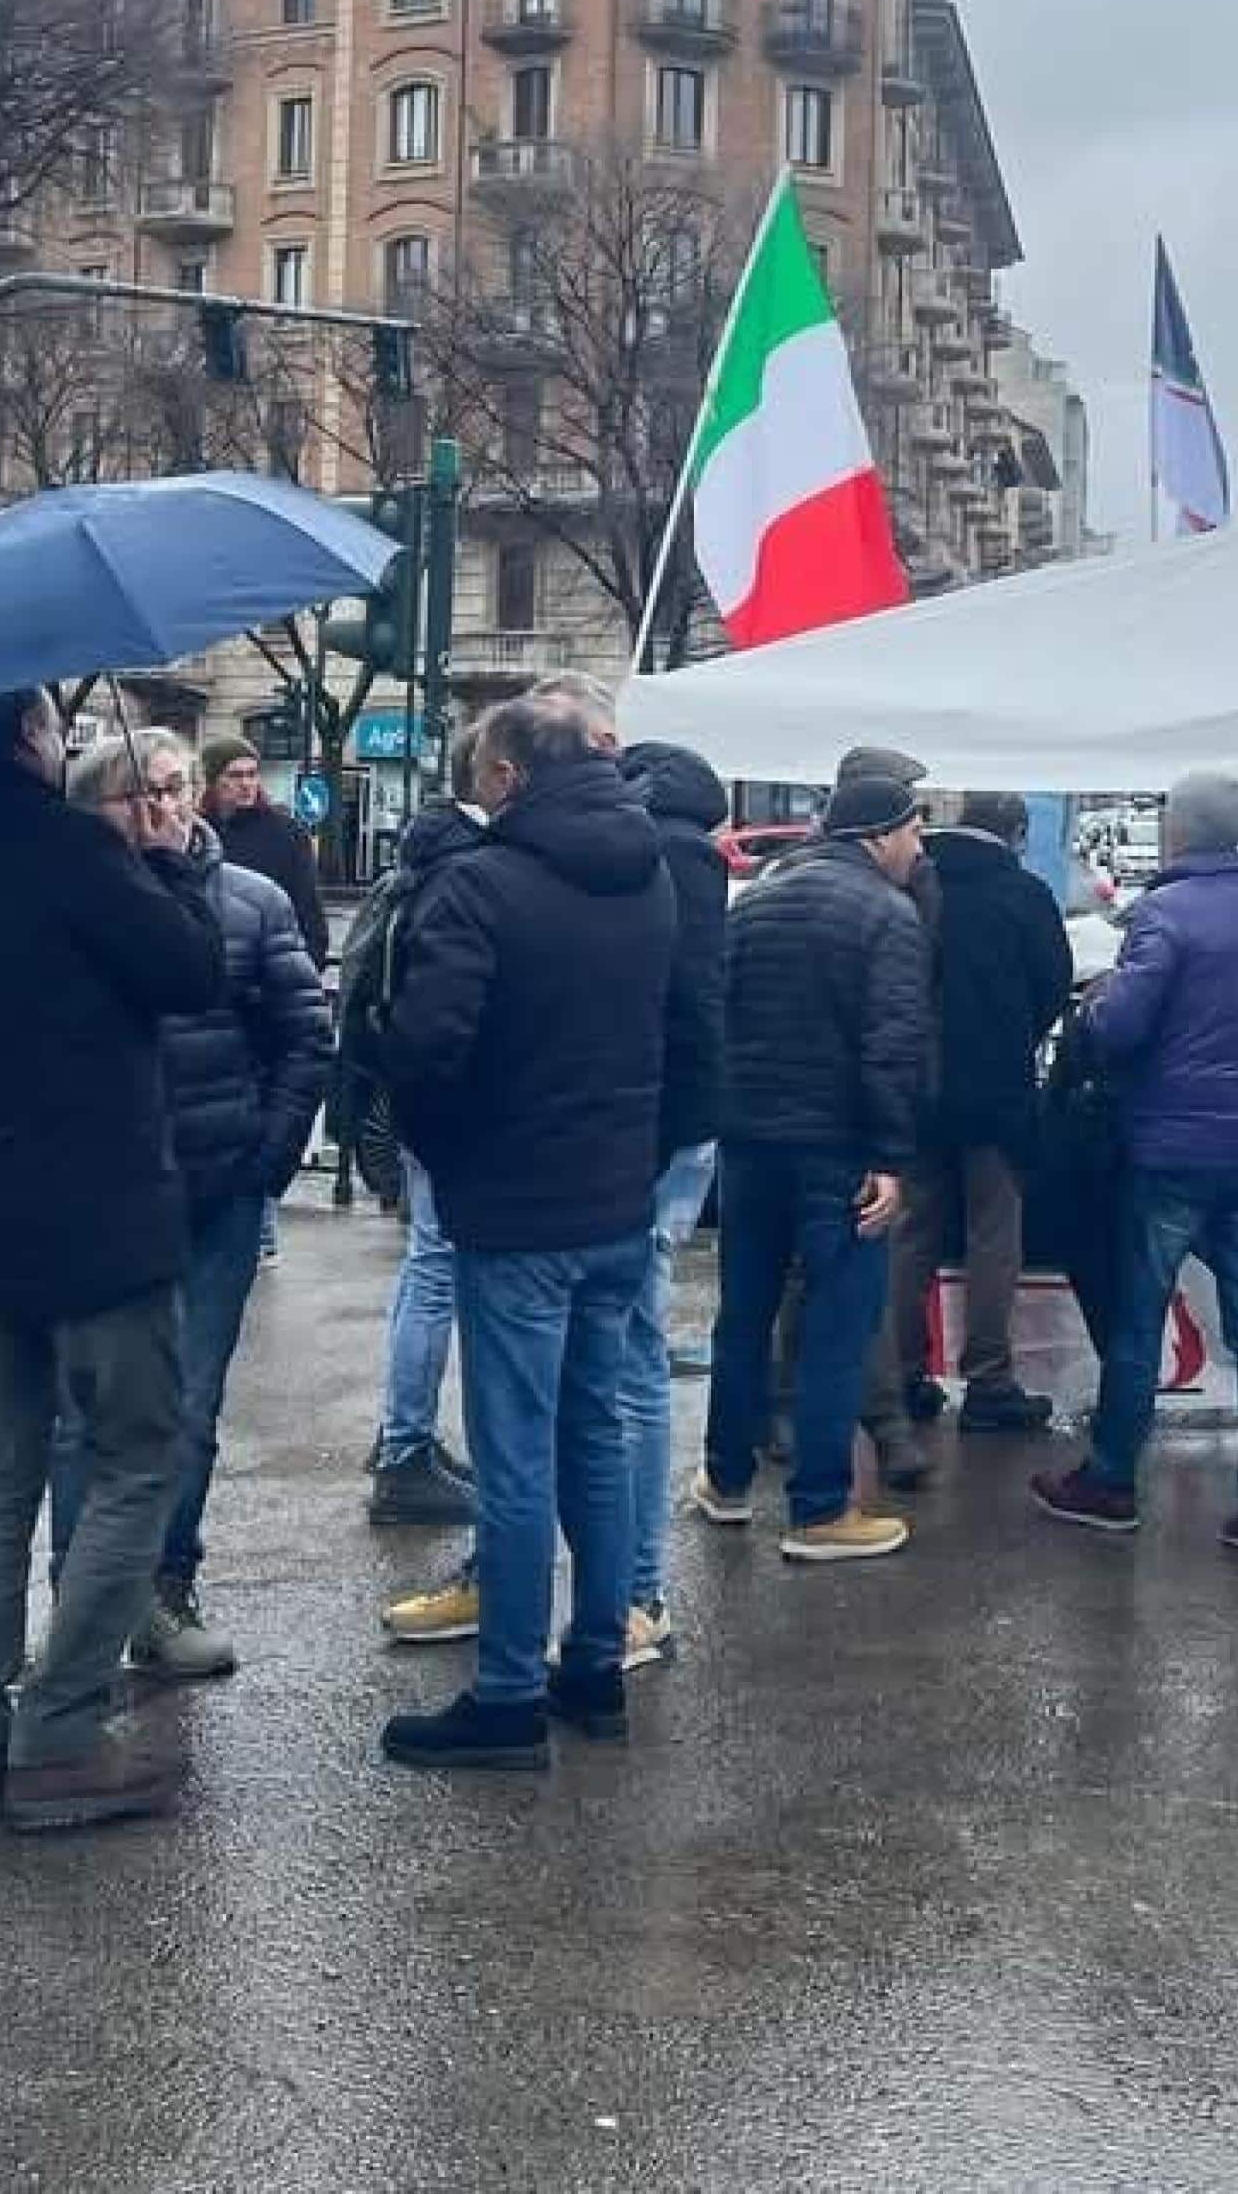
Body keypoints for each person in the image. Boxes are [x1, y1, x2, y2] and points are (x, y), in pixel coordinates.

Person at [0, 690, 224, 1835]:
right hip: (100, 1206)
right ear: (27, 742)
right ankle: (61, 1736)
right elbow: (187, 974)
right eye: (47, 728)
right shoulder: (70, 849)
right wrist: (170, 865)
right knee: (136, 1456)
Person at [376, 691, 676, 1771]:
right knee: (595, 1437)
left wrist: (449, 1159)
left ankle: (505, 1694)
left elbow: (422, 1050)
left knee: (515, 1457)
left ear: (507, 775)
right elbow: (684, 1032)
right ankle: (592, 1662)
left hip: (517, 1209)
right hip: (612, 1201)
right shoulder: (651, 876)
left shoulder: (481, 887)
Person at [52, 730, 331, 1679]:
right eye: (142, 795)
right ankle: (85, 1604)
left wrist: (270, 1154)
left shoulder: (248, 901)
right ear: (98, 813)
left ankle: (165, 1583)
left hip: (216, 1190)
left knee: (190, 1406)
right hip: (102, 1191)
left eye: (176, 788)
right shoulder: (73, 908)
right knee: (83, 1410)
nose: (166, 808)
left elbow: (303, 1031)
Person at [1033, 773, 1238, 1561]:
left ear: (1179, 833)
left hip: (1169, 1152)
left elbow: (1119, 1028)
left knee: (1138, 1320)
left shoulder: (1163, 914)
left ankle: (1111, 1481)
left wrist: (1095, 1000)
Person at [701, 765, 923, 1561]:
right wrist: (891, 1158)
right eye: (910, 832)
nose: (916, 846)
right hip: (838, 1151)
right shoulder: (887, 916)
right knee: (838, 1323)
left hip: (749, 1144)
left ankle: (725, 1482)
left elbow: (718, 1017)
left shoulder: (754, 902)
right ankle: (820, 1510)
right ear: (879, 835)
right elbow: (893, 1047)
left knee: (744, 1314)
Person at [893, 792, 1074, 1433]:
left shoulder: (914, 883)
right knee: (993, 1234)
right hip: (996, 1088)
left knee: (910, 1228)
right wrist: (1018, 1032)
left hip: (916, 1083)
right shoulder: (1021, 894)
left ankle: (902, 1374)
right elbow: (1056, 981)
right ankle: (988, 1379)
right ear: (1017, 833)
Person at [341, 786, 487, 1537]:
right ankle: (404, 1451)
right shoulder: (463, 876)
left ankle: (406, 1437)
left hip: (412, 1106)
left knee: (424, 1269)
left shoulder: (419, 867)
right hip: (447, 1110)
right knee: (435, 1269)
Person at [617, 734, 731, 1662]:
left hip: (649, 1136)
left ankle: (639, 1592)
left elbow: (679, 1011)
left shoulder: (667, 861)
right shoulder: (693, 858)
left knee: (629, 1356)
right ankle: (632, 1587)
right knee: (628, 1353)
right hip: (677, 1131)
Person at [201, 734, 329, 966]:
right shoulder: (194, 831)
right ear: (212, 780)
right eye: (235, 775)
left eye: (252, 774)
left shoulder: (287, 834)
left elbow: (308, 910)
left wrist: (306, 966)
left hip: (268, 966)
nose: (246, 784)